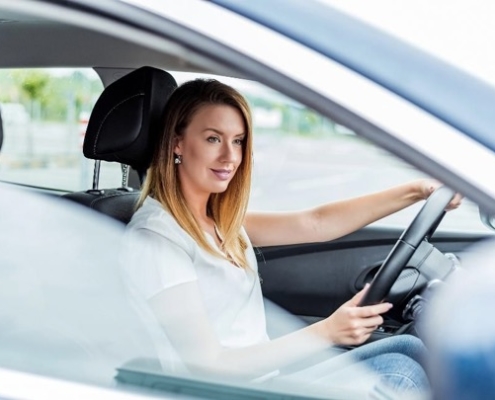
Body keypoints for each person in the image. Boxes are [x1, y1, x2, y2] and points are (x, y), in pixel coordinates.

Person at [124, 78, 462, 397]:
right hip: (221, 391)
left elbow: (315, 223)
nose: (230, 156)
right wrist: (326, 332)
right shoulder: (157, 239)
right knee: (399, 374)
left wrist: (417, 190)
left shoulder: (218, 222)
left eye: (238, 141)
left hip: (258, 383)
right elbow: (207, 366)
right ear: (177, 143)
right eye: (213, 138)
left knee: (411, 348)